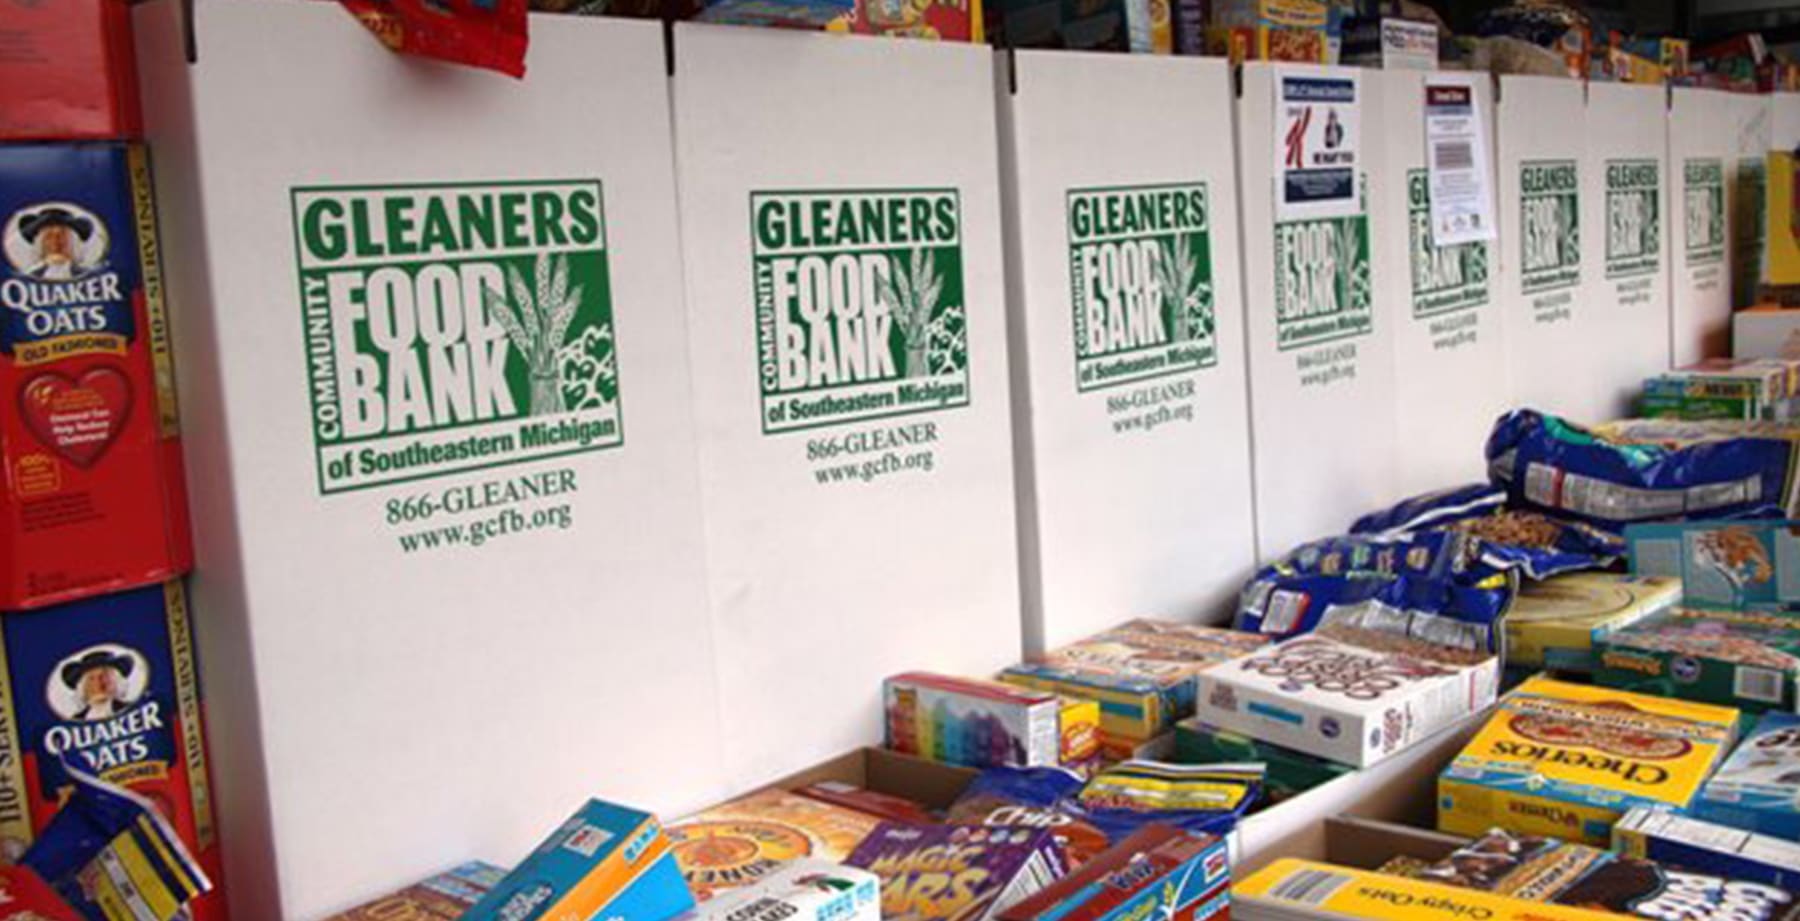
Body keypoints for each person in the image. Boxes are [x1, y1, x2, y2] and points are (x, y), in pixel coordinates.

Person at [16, 207, 95, 281]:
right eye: (49, 236)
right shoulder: (29, 277)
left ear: (73, 242)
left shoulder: (88, 277)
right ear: (40, 243)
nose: (55, 241)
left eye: (62, 235)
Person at [59, 650, 136, 722]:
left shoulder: (131, 710)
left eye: (104, 676)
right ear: (83, 687)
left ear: (116, 681)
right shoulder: (77, 719)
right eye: (91, 678)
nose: (98, 683)